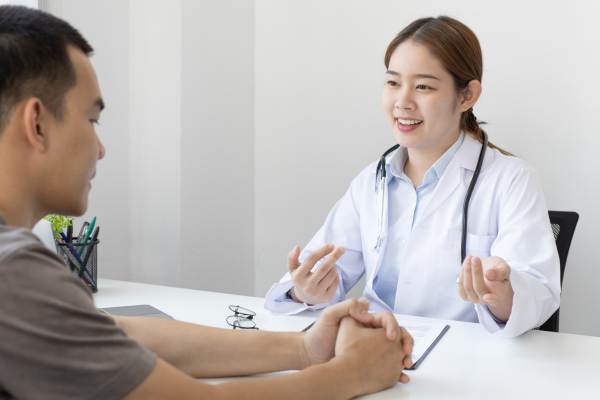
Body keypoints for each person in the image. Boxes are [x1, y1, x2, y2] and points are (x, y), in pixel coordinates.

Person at [0, 6, 414, 400]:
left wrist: (305, 348)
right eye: (92, 120)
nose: (101, 148)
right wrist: (351, 372)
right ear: (36, 123)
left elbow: (106, 335)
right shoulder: (13, 271)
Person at [264, 16, 560, 338]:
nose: (402, 102)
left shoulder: (511, 180)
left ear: (467, 96)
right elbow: (317, 276)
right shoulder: (372, 182)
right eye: (393, 83)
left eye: (423, 86)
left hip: (461, 362)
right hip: (372, 350)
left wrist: (502, 295)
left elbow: (538, 294)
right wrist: (304, 292)